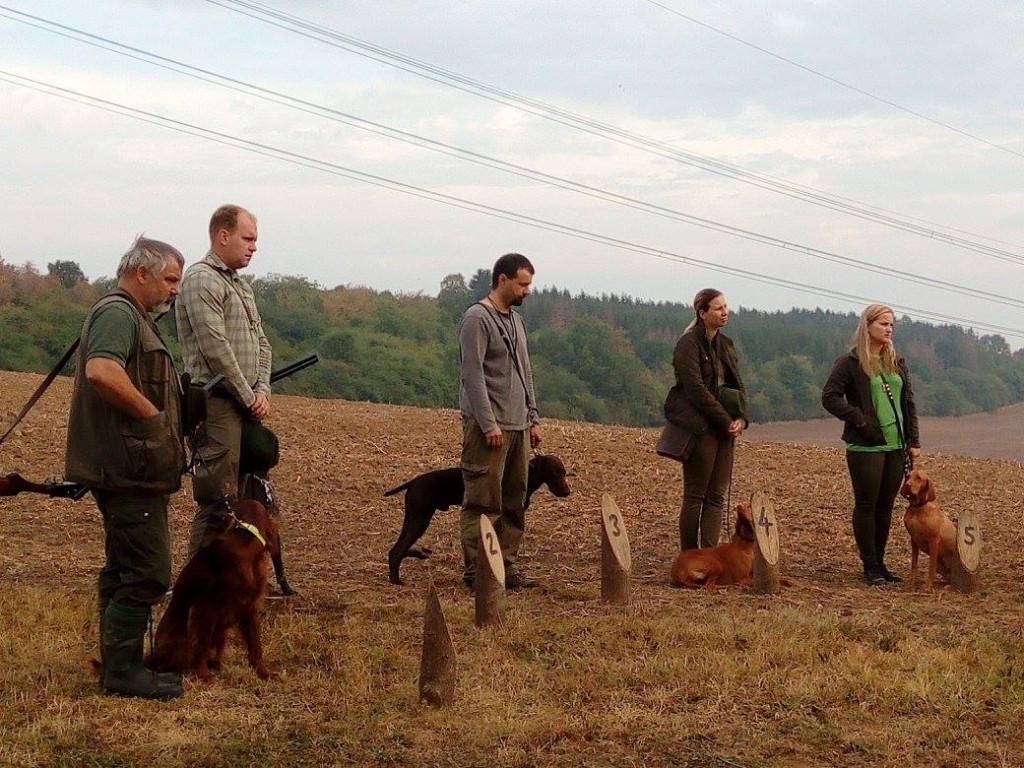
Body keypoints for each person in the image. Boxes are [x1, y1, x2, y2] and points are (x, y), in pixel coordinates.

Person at [65, 235, 186, 700]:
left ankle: (120, 666)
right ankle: (123, 672)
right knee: (149, 572)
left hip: (127, 464)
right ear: (142, 273)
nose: (175, 289)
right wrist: (152, 416)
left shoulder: (130, 316)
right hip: (127, 467)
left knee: (122, 568)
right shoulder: (118, 313)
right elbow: (102, 371)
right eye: (170, 279)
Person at [176, 204, 272, 558]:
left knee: (251, 498)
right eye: (248, 238)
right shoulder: (201, 279)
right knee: (218, 499)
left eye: (255, 240)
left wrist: (261, 391)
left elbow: (263, 344)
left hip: (244, 405)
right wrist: (250, 396)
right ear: (223, 236)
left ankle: (237, 580)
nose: (253, 247)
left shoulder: (241, 286)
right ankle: (195, 586)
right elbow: (215, 349)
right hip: (216, 405)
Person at [458, 253, 542, 591]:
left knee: (514, 501)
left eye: (529, 284)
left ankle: (506, 566)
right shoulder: (477, 319)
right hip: (488, 429)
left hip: (519, 425)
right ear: (502, 280)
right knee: (483, 501)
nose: (527, 291)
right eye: (523, 284)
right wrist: (488, 423)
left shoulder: (517, 322)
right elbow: (473, 375)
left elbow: (526, 372)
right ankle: (480, 572)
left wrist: (533, 417)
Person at [822, 303, 920, 586]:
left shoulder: (896, 362)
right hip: (866, 446)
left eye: (891, 325)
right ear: (868, 327)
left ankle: (881, 563)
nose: (889, 329)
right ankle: (870, 566)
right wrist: (859, 419)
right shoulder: (850, 363)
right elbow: (830, 397)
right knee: (867, 504)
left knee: (885, 506)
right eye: (883, 324)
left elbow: (908, 402)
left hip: (895, 444)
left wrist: (913, 440)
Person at [664, 288, 748, 551]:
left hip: (724, 428)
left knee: (716, 497)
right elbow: (696, 390)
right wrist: (725, 420)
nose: (725, 312)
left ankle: (710, 554)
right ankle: (689, 555)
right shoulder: (687, 344)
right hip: (699, 427)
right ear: (702, 313)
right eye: (718, 308)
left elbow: (737, 384)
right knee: (695, 496)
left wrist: (742, 418)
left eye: (726, 306)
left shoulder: (725, 344)